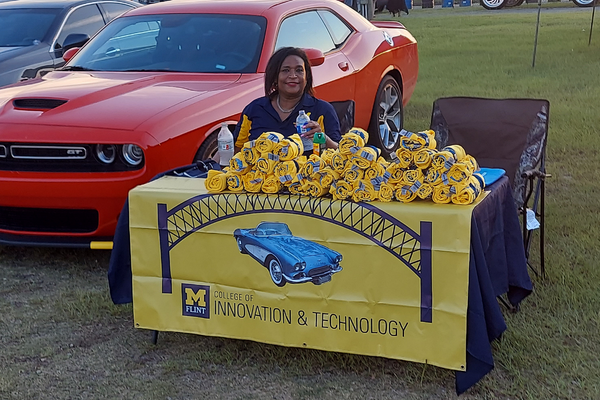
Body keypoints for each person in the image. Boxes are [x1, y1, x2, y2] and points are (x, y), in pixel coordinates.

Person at [233, 47, 341, 155]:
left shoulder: (323, 110)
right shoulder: (254, 109)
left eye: (299, 70)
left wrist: (322, 138)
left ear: (306, 76)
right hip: (258, 171)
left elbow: (341, 153)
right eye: (286, 70)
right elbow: (236, 151)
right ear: (275, 76)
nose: (293, 76)